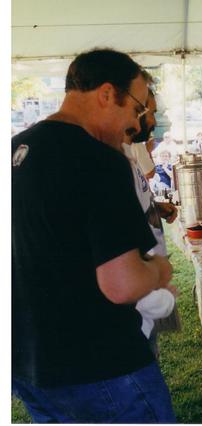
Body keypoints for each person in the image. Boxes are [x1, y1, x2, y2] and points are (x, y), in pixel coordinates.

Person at [11, 48, 176, 422]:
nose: (135, 125)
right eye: (135, 109)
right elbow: (122, 284)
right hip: (98, 364)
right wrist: (159, 271)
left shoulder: (15, 151)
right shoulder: (99, 160)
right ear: (106, 94)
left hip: (27, 363)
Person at [123, 87, 179, 358]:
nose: (155, 122)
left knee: (150, 349)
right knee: (142, 354)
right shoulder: (118, 155)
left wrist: (156, 207)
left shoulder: (128, 152)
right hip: (139, 282)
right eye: (151, 112)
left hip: (147, 275)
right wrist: (155, 274)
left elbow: (135, 202)